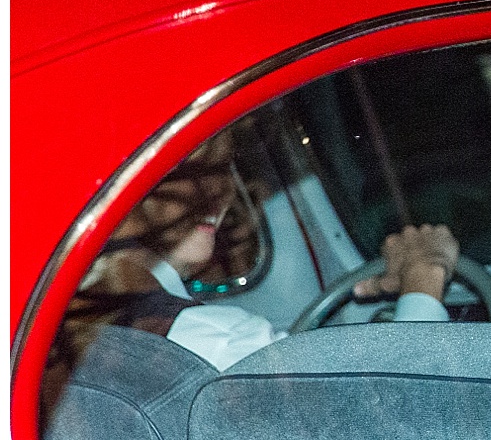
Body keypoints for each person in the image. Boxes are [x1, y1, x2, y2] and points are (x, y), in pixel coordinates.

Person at [49, 130, 460, 390]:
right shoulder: (204, 339)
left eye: (225, 173)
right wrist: (425, 278)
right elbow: (401, 406)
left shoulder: (74, 324)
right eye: (187, 179)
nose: (223, 196)